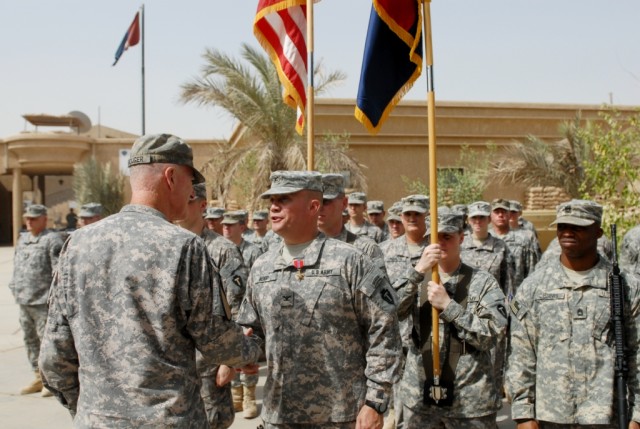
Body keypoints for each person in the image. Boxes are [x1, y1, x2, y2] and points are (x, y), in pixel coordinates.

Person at [39, 133, 262, 427]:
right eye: (189, 182)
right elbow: (215, 341)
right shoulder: (184, 246)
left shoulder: (77, 244)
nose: (190, 192)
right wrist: (252, 350)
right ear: (171, 177)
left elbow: (54, 358)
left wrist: (88, 410)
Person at [237, 170, 402, 428]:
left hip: (341, 415)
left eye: (285, 199)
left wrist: (375, 401)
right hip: (279, 414)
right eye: (272, 200)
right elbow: (253, 328)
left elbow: (385, 327)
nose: (274, 207)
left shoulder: (350, 261)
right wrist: (243, 352)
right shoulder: (262, 267)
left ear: (314, 206)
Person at [506, 199, 640, 429]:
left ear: (598, 232)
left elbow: (637, 353)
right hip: (551, 416)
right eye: (562, 226)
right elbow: (522, 353)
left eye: (578, 226)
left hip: (607, 416)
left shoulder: (626, 287)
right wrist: (523, 413)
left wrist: (637, 415)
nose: (568, 232)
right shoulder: (534, 287)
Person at [395, 210, 507, 428]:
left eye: (447, 237)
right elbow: (390, 314)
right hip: (420, 399)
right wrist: (418, 270)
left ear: (461, 238)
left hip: (469, 400)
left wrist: (449, 306)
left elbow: (492, 335)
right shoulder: (414, 278)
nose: (440, 244)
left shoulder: (483, 282)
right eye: (434, 238)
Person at [176, 182, 249, 429]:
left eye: (188, 200)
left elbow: (239, 308)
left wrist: (230, 360)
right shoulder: (166, 247)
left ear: (203, 205)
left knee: (213, 421)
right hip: (172, 364)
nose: (180, 205)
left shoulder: (222, 250)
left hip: (208, 362)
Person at [9, 204, 65, 397]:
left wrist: (56, 300)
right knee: (30, 340)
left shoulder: (51, 240)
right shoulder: (23, 239)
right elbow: (17, 265)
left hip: (43, 302)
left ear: (44, 219)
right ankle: (37, 376)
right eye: (27, 218)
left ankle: (51, 380)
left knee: (47, 342)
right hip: (24, 300)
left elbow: (58, 272)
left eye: (33, 218)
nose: (29, 222)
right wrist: (14, 287)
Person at [460, 201, 513, 396]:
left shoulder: (501, 247)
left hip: (491, 315)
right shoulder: (460, 244)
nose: (478, 221)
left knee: (493, 365)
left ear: (488, 219)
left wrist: (508, 316)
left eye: (482, 217)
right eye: (474, 217)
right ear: (468, 220)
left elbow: (509, 286)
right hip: (463, 315)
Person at [318, 173, 386, 273]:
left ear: (344, 203)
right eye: (313, 202)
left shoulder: (366, 249)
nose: (318, 207)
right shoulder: (296, 247)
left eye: (326, 201)